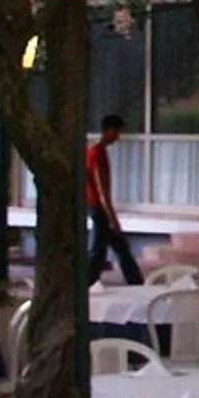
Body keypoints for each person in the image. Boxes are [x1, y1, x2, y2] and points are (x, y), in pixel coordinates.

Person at [85, 113, 143, 285]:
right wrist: (112, 216)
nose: (118, 137)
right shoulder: (96, 154)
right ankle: (86, 284)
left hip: (99, 207)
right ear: (108, 131)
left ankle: (136, 282)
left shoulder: (98, 152)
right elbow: (101, 188)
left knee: (118, 247)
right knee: (99, 252)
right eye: (117, 132)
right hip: (99, 208)